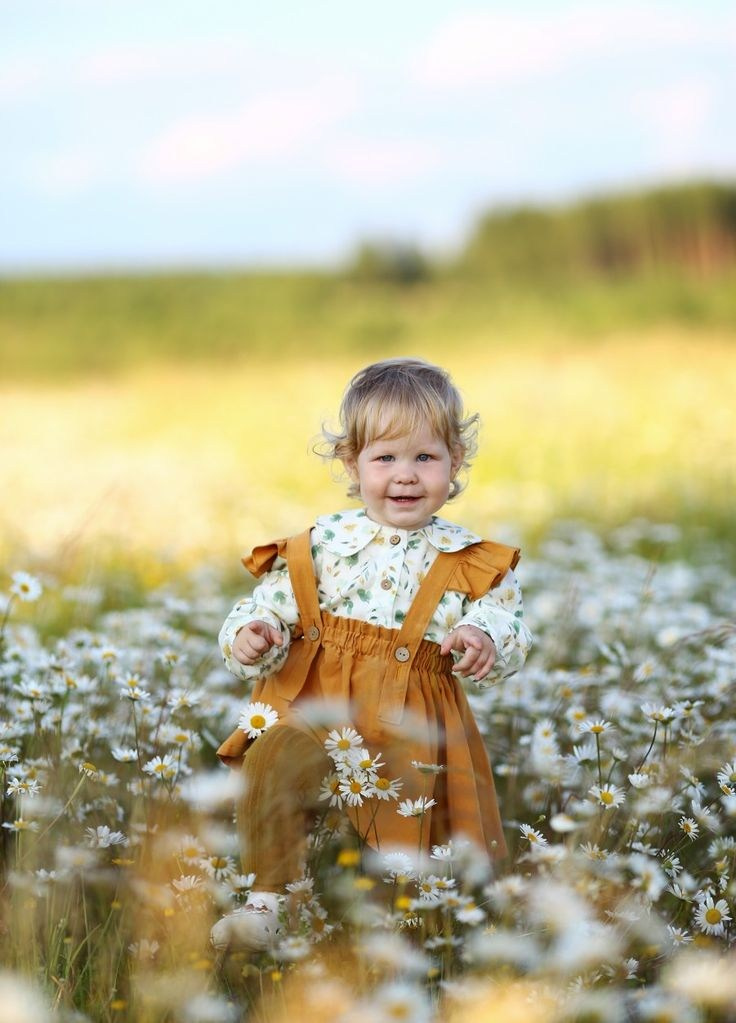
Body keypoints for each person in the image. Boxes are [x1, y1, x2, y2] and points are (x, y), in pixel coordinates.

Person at [211, 358, 532, 951]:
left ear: (454, 462)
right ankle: (268, 904)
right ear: (351, 464)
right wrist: (251, 632)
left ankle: (407, 936)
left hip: (411, 726)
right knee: (274, 760)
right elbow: (267, 606)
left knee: (409, 831)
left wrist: (483, 638)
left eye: (425, 458)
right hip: (316, 705)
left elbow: (506, 620)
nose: (405, 476)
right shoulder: (323, 545)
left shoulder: (469, 559)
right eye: (385, 458)